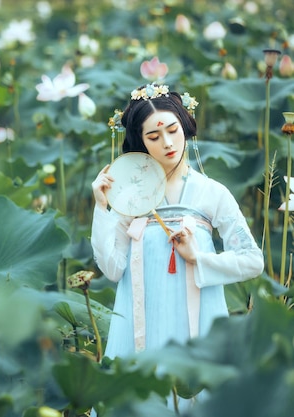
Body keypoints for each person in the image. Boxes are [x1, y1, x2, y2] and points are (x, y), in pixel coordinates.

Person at [90, 83, 264, 408]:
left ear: (185, 126)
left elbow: (253, 261)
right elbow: (112, 268)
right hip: (142, 323)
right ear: (139, 141)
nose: (168, 143)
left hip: (199, 326)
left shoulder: (212, 193)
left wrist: (199, 259)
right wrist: (102, 208)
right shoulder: (132, 197)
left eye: (173, 130)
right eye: (154, 137)